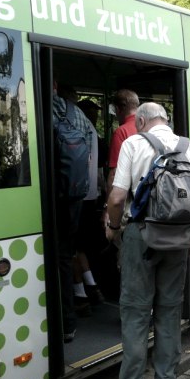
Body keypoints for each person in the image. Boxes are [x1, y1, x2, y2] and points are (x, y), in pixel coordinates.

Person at [105, 102, 190, 379]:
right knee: (169, 313)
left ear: (141, 121)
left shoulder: (133, 143)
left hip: (141, 236)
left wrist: (114, 229)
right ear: (166, 121)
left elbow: (116, 198)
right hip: (179, 239)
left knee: (137, 314)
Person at [53, 80, 92, 343]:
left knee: (57, 258)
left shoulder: (37, 107)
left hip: (51, 197)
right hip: (75, 194)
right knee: (66, 255)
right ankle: (69, 324)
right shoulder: (76, 113)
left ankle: (61, 321)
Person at [72, 99, 106, 314]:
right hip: (91, 196)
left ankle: (82, 294)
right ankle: (91, 286)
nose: (95, 117)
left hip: (77, 197)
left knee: (72, 247)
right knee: (79, 246)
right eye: (93, 113)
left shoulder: (75, 128)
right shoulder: (95, 135)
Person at [101, 89, 139, 229]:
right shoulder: (149, 128)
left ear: (118, 109)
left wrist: (107, 208)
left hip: (128, 203)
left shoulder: (121, 131)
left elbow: (113, 175)